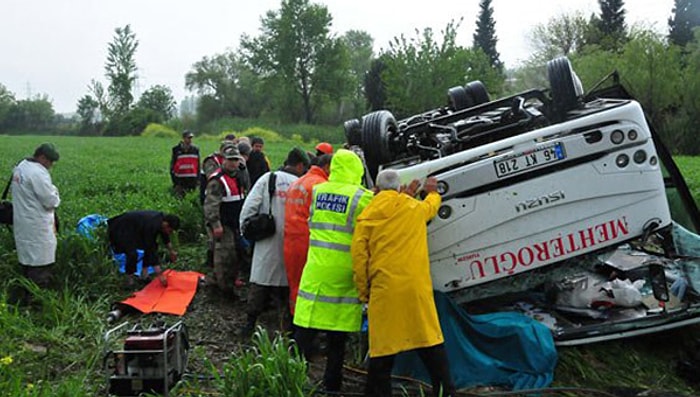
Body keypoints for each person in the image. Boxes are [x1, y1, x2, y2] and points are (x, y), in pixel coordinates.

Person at [351, 170, 456, 397]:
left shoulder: (367, 217)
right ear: (398, 188)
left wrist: (364, 293)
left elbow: (360, 261)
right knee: (429, 340)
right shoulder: (413, 209)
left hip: (385, 290)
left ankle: (376, 393)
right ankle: (446, 391)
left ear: (376, 190)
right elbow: (430, 206)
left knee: (382, 351)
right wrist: (433, 192)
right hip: (415, 288)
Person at [293, 149, 374, 393]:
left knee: (303, 334)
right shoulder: (363, 197)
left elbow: (311, 222)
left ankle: (289, 379)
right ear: (357, 169)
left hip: (316, 270)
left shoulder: (318, 191)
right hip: (344, 273)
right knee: (337, 340)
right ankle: (332, 387)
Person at [239, 147, 310, 337]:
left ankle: (249, 325)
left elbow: (248, 210)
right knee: (289, 289)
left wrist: (247, 235)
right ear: (301, 165)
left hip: (267, 243)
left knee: (260, 284)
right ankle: (287, 329)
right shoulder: (303, 184)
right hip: (294, 244)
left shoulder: (268, 179)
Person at [283, 153, 332, 318]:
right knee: (308, 285)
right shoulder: (321, 185)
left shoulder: (297, 182)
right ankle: (305, 324)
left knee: (294, 283)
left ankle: (292, 320)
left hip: (290, 240)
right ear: (326, 167)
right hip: (308, 240)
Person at [11, 143, 61, 290]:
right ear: (42, 157)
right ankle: (37, 302)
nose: (50, 165)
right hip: (37, 225)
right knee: (40, 262)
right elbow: (50, 201)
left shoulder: (21, 167)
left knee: (27, 261)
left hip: (23, 222)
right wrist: (55, 191)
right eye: (50, 161)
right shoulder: (38, 173)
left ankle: (26, 296)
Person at [204, 146, 248, 295]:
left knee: (238, 253)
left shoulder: (239, 176)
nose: (233, 163)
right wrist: (216, 225)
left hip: (237, 223)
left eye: (236, 160)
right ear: (224, 160)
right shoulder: (217, 180)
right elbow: (211, 205)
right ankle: (224, 288)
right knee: (225, 256)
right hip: (223, 224)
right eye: (230, 160)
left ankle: (229, 281)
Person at [107, 210, 180, 286]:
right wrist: (159, 273)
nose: (170, 233)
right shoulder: (152, 224)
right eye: (170, 231)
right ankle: (129, 280)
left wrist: (171, 251)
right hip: (120, 228)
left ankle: (144, 275)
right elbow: (150, 247)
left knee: (150, 248)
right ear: (166, 224)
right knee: (132, 253)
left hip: (135, 229)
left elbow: (165, 236)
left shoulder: (160, 221)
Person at [170, 130, 200, 198]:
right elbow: (173, 165)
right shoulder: (176, 149)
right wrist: (175, 181)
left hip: (192, 179)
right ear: (183, 138)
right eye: (188, 138)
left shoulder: (195, 149)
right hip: (180, 180)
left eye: (191, 138)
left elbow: (198, 165)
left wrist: (198, 180)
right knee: (179, 199)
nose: (190, 140)